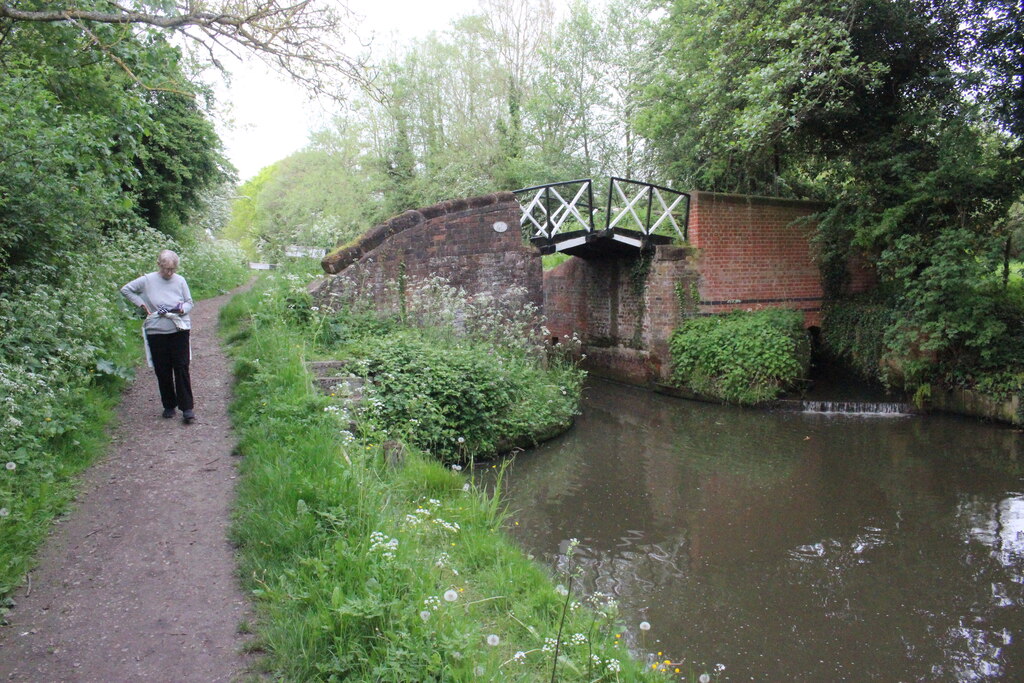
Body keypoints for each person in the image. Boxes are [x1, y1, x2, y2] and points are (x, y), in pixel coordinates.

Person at [120, 250, 196, 424]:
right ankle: (169, 405)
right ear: (159, 265)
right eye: (166, 269)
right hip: (156, 330)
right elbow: (126, 290)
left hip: (179, 328)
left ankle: (187, 408)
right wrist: (143, 304)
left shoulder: (180, 280)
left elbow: (189, 302)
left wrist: (181, 308)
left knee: (182, 367)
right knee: (162, 369)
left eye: (172, 269)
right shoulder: (147, 280)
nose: (169, 273)